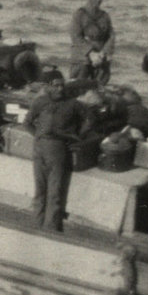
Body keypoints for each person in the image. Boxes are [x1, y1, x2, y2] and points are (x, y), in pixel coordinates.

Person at [23, 70, 94, 231]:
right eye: (56, 86)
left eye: (62, 85)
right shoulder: (39, 101)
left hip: (58, 147)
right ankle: (37, 225)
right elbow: (27, 123)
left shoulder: (73, 103)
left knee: (54, 191)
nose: (60, 89)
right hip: (40, 147)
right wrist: (39, 136)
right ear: (47, 87)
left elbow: (90, 119)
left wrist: (76, 137)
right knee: (40, 189)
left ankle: (50, 228)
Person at [69, 0, 115, 85]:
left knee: (100, 88)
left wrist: (104, 53)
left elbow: (111, 36)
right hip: (82, 58)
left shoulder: (105, 16)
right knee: (78, 86)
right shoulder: (79, 15)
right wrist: (90, 53)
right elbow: (76, 37)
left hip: (100, 59)